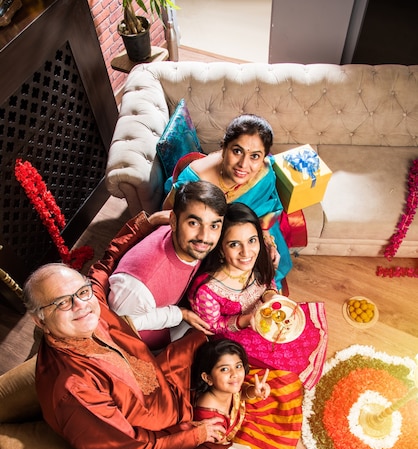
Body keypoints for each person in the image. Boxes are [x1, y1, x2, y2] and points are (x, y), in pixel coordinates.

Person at [22, 214, 259, 449]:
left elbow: (104, 264)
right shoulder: (72, 388)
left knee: (205, 336)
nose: (81, 305)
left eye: (80, 293)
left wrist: (146, 222)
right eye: (62, 304)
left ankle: (204, 410)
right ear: (39, 320)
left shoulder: (92, 304)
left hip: (160, 388)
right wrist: (195, 435)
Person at [188, 203, 328, 391]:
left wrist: (271, 296)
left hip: (265, 316)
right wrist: (244, 320)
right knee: (281, 369)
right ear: (220, 248)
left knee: (298, 334)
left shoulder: (260, 258)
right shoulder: (207, 290)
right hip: (237, 335)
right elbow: (211, 326)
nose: (246, 253)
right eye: (234, 244)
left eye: (252, 241)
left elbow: (268, 282)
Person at [163, 113, 294, 291]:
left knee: (265, 264)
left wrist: (267, 242)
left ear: (263, 157)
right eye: (237, 151)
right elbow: (169, 214)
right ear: (224, 148)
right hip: (206, 240)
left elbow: (262, 211)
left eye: (255, 156)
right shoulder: (194, 180)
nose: (243, 164)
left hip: (242, 234)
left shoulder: (263, 175)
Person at [108, 181, 227, 351]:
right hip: (147, 348)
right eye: (194, 223)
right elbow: (119, 322)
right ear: (173, 221)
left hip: (176, 313)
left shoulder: (189, 242)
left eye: (214, 225)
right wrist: (180, 314)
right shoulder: (138, 287)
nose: (204, 236)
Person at [192, 338, 271, 445]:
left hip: (237, 425)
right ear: (207, 378)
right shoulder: (208, 410)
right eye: (224, 369)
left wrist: (255, 391)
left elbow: (240, 394)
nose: (235, 374)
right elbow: (218, 445)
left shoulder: (227, 387)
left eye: (238, 366)